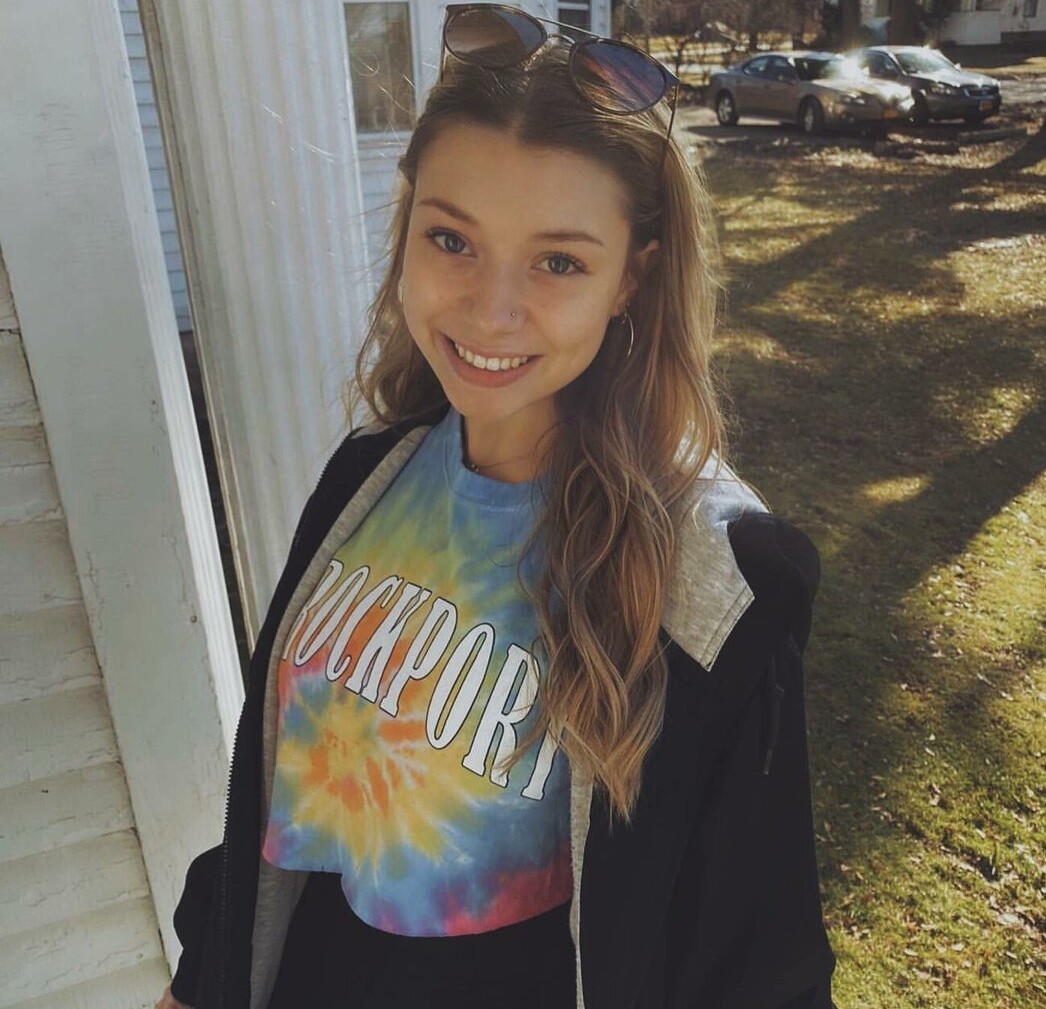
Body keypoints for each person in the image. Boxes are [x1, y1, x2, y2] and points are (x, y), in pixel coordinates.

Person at [157, 5, 837, 1008]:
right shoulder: (369, 475)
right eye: (453, 239)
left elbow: (759, 963)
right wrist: (197, 980)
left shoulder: (714, 585)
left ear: (631, 278)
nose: (490, 308)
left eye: (559, 261)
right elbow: (278, 786)